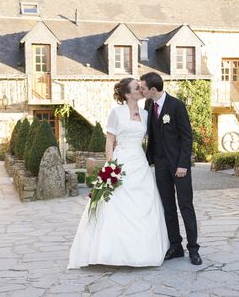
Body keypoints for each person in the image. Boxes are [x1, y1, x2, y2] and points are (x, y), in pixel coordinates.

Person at [67, 77, 169, 269]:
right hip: (120, 162)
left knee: (144, 202)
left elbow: (152, 139)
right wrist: (110, 165)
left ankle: (144, 251)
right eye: (136, 88)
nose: (141, 89)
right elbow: (109, 140)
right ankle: (109, 251)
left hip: (139, 163)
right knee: (114, 204)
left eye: (140, 87)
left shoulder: (147, 114)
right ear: (128, 94)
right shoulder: (116, 112)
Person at [139, 72, 202, 265]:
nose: (140, 90)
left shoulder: (176, 105)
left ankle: (193, 249)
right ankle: (175, 246)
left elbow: (186, 136)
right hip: (160, 165)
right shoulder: (149, 105)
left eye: (143, 87)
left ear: (153, 89)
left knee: (185, 205)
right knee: (168, 207)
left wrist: (183, 164)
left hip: (178, 165)